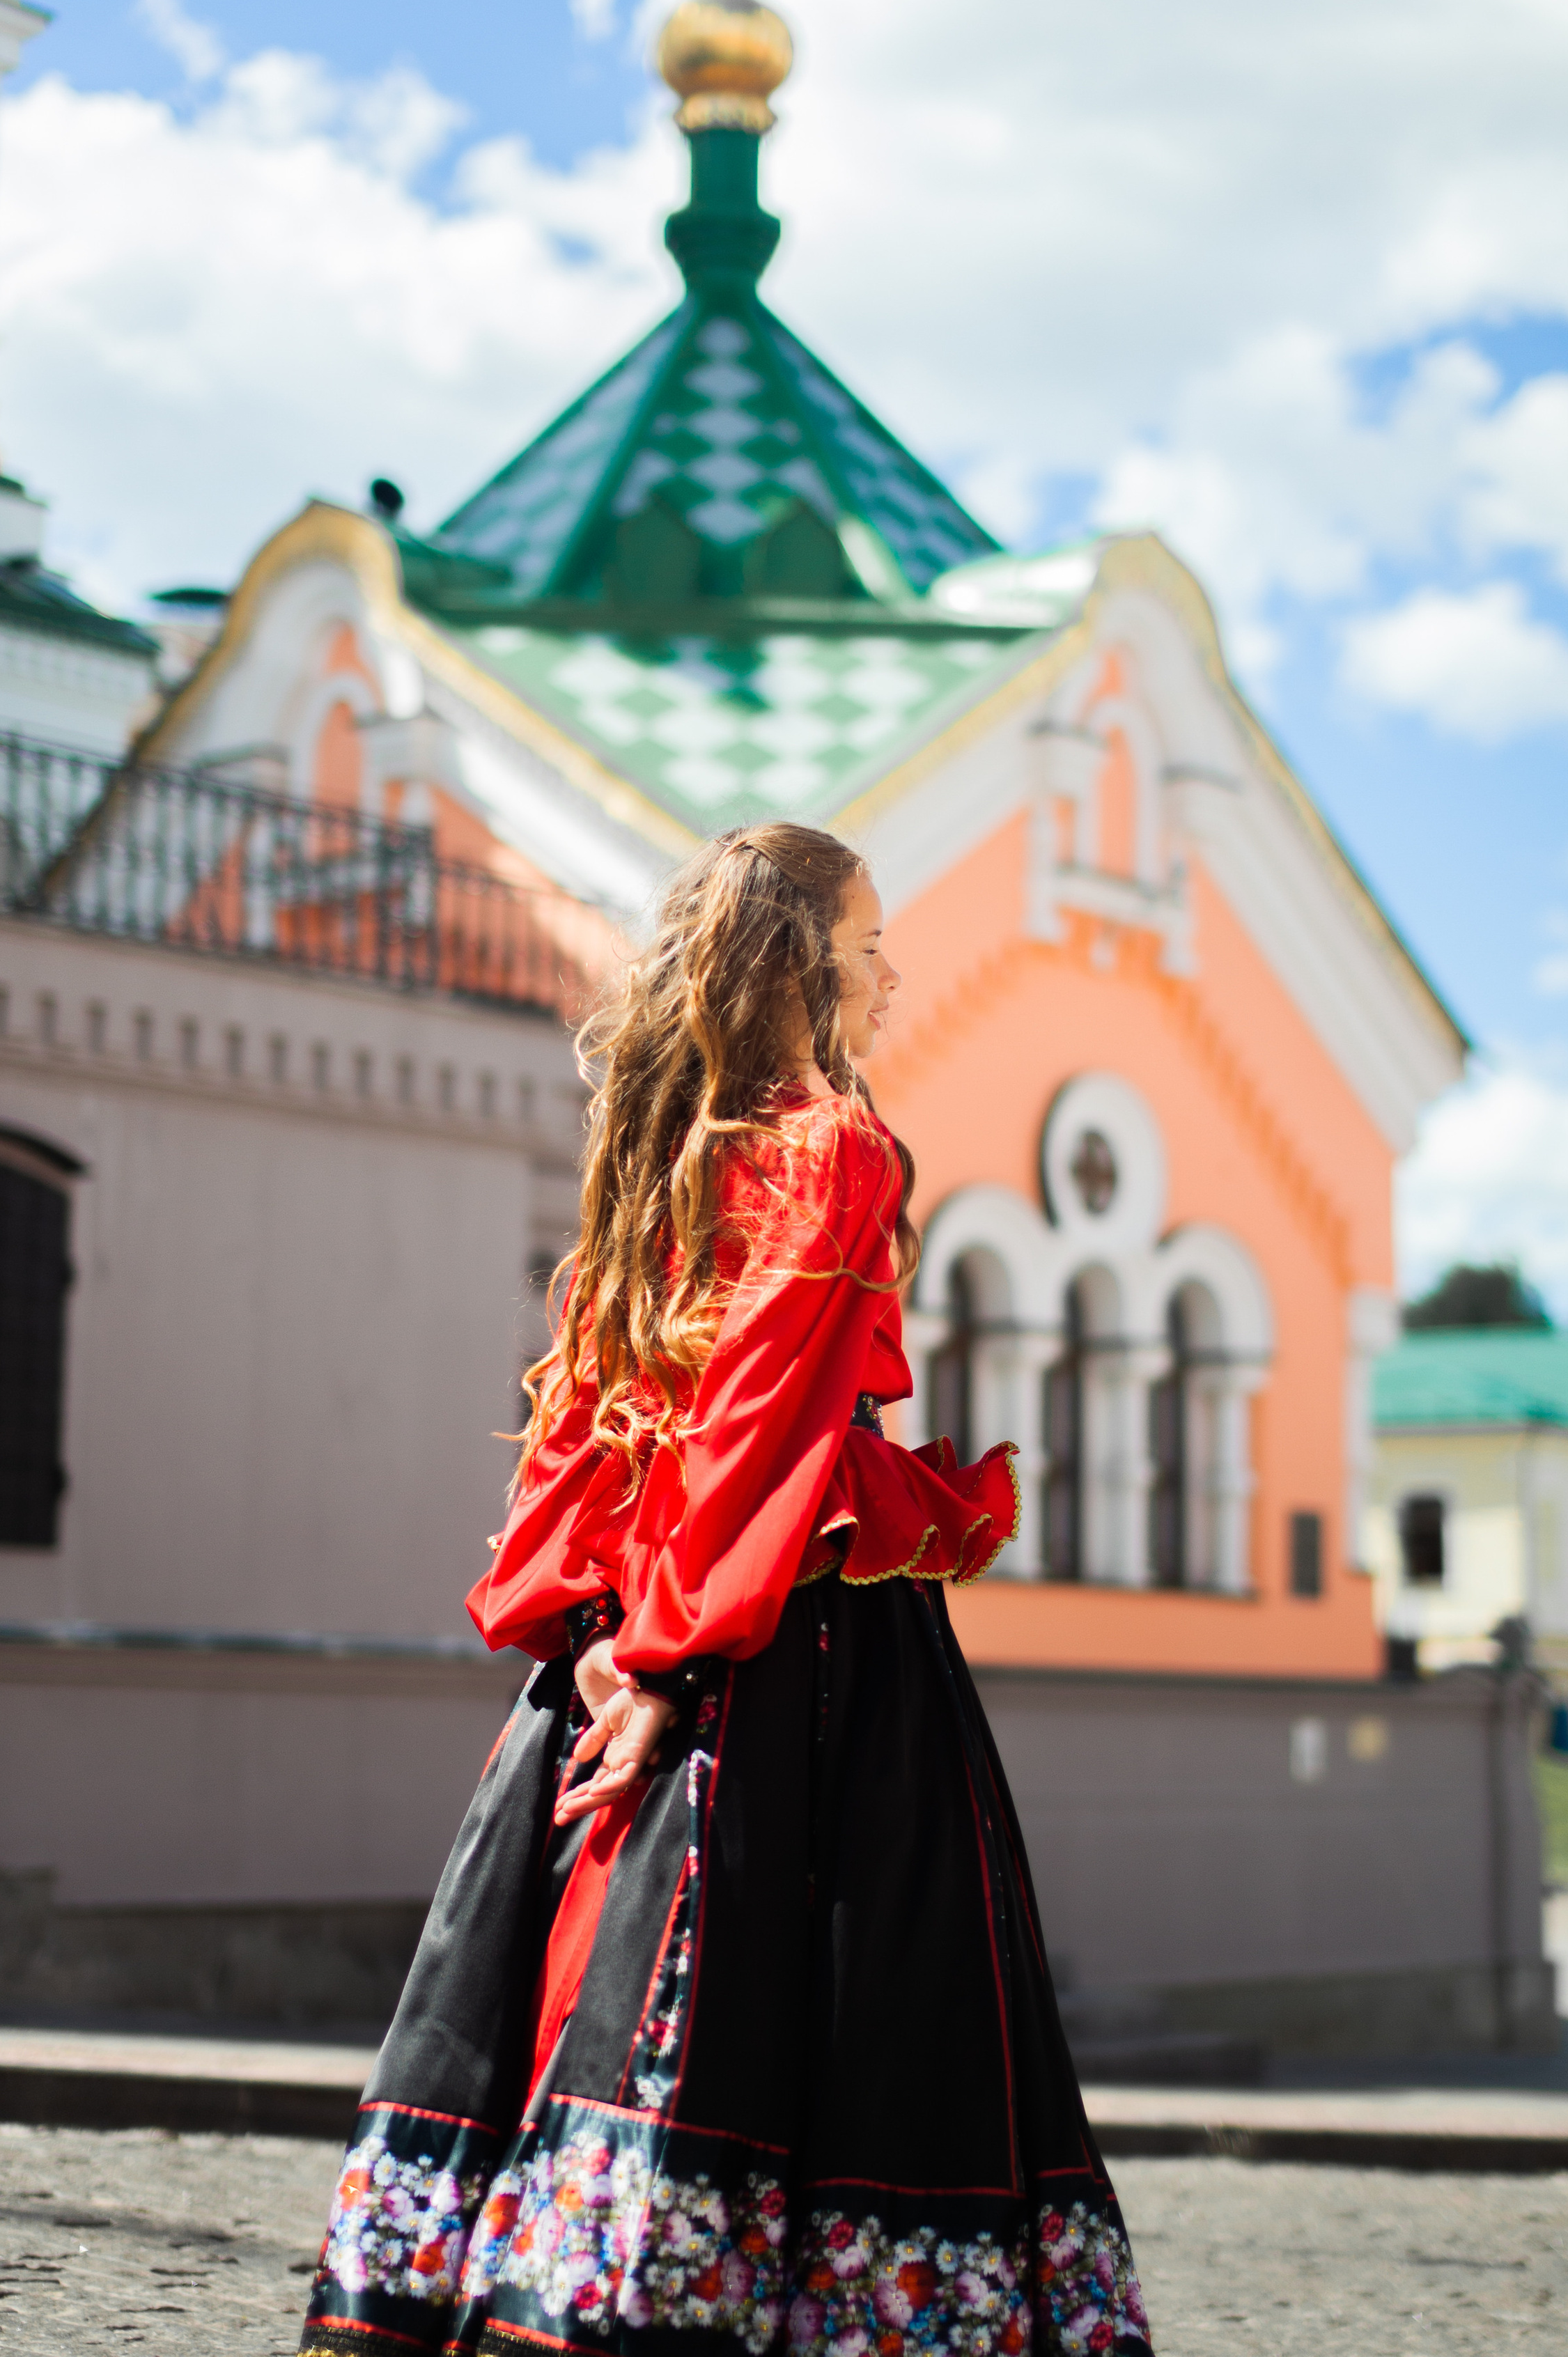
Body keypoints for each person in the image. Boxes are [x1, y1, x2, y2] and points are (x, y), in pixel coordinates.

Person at [299, 824, 1153, 2357]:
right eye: (867, 943)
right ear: (799, 967)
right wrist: (678, 1668)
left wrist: (591, 1649)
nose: (891, 973)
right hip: (784, 1654)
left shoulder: (652, 1159)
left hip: (623, 1644)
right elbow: (761, 1428)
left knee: (575, 2011)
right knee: (831, 2020)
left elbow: (580, 1427)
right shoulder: (835, 1149)